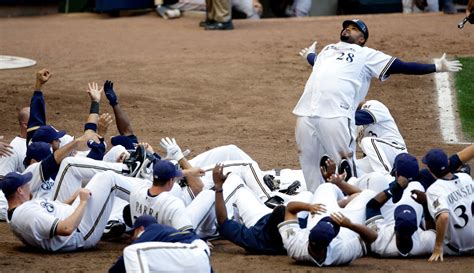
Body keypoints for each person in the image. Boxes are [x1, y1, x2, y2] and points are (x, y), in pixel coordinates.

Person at [294, 19, 463, 192]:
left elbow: (401, 66)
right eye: (346, 27)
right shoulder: (328, 50)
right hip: (305, 113)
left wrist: (435, 67)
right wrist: (310, 55)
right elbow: (319, 63)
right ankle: (318, 206)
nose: (347, 30)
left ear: (362, 39)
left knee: (344, 167)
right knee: (309, 164)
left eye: (354, 29)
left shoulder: (366, 55)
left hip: (336, 114)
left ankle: (354, 206)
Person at [109, 215, 212, 273]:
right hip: (199, 258)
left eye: (134, 233)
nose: (132, 237)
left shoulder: (152, 229)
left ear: (140, 229)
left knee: (131, 251)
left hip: (192, 251)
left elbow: (124, 261)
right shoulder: (166, 235)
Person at [423, 148, 474, 262]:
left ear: (430, 170)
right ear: (449, 163)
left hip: (455, 249)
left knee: (423, 222)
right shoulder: (466, 177)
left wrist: (438, 247)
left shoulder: (434, 189)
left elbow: (444, 216)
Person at [355, 100, 407, 176]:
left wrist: (341, 115)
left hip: (396, 152)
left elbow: (363, 117)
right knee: (353, 168)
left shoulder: (373, 104)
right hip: (382, 160)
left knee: (367, 142)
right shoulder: (354, 125)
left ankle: (387, 177)